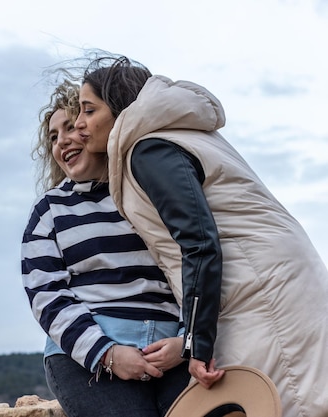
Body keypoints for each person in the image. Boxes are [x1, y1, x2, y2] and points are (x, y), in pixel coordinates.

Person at [72, 53, 328, 417]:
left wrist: (196, 344)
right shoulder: (177, 135)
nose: (79, 123)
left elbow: (200, 242)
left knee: (291, 404)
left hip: (261, 292)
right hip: (270, 282)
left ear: (119, 109)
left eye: (88, 110)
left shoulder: (149, 149)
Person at [20, 79, 190, 417]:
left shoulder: (148, 192)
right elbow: (46, 295)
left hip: (172, 353)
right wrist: (107, 354)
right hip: (88, 359)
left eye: (71, 127)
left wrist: (185, 343)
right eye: (53, 137)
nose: (62, 140)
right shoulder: (49, 210)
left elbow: (191, 267)